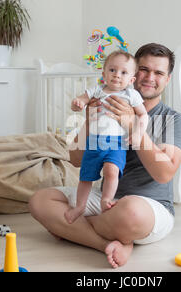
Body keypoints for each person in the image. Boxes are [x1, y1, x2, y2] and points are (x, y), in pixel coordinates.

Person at [29, 43, 181, 269]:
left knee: (130, 212)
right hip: (107, 200)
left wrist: (133, 125)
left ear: (167, 79)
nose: (150, 77)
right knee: (40, 201)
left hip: (148, 207)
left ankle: (73, 228)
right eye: (144, 69)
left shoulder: (172, 119)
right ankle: (112, 243)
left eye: (159, 73)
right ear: (133, 73)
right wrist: (89, 119)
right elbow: (75, 160)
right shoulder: (106, 103)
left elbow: (164, 173)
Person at [65, 50, 148, 224]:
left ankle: (106, 200)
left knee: (112, 171)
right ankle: (80, 206)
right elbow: (79, 102)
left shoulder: (131, 95)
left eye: (123, 72)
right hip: (94, 142)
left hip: (117, 144)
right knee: (86, 177)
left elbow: (143, 115)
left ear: (131, 80)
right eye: (112, 70)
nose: (117, 75)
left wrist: (138, 132)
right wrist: (78, 104)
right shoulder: (97, 91)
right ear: (103, 74)